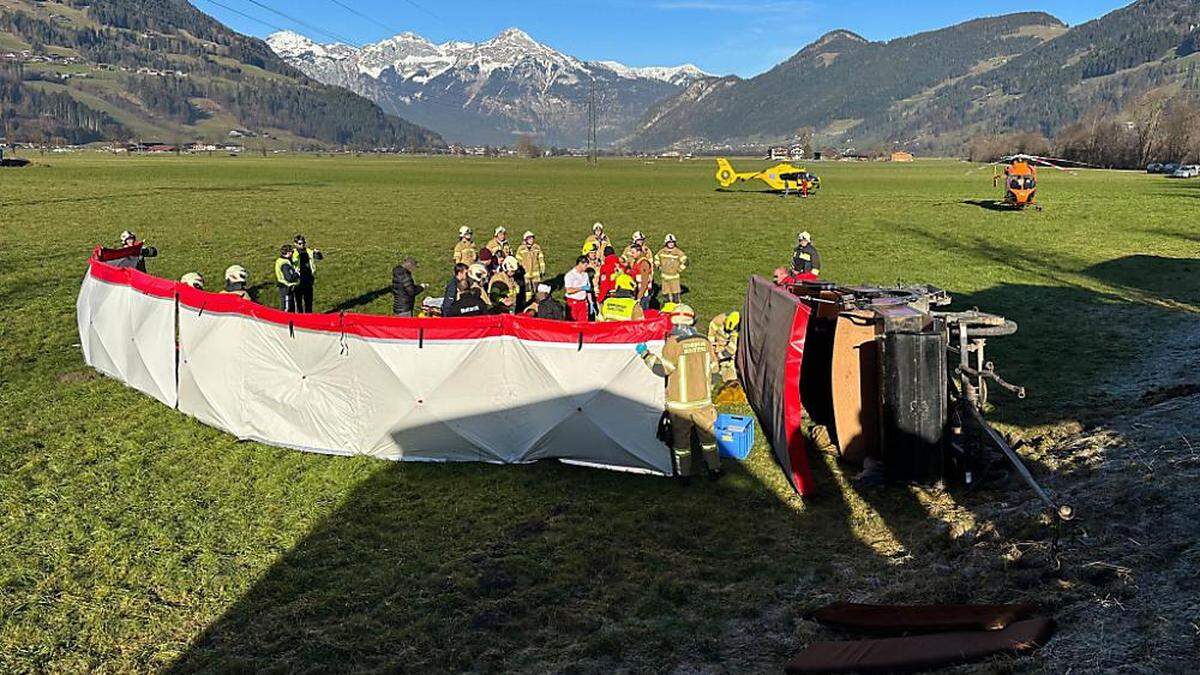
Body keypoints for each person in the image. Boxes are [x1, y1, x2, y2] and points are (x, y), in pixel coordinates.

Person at [636, 304, 721, 483]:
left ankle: (684, 476)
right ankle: (714, 469)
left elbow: (661, 369)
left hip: (680, 405)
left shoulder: (673, 344)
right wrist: (707, 390)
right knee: (708, 438)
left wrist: (645, 355)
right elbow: (715, 371)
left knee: (682, 443)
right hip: (704, 402)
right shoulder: (705, 341)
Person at [290, 234, 323, 313]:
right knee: (298, 303)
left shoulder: (308, 251)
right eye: (300, 243)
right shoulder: (292, 253)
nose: (302, 245)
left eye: (303, 243)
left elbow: (319, 258)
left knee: (308, 302)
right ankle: (300, 319)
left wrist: (317, 253)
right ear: (295, 244)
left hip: (308, 280)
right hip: (298, 281)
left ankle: (309, 318)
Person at [707, 311, 741, 386]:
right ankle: (710, 383)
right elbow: (711, 337)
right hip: (718, 347)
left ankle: (730, 381)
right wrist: (713, 350)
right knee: (712, 367)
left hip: (730, 352)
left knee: (730, 377)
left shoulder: (741, 329)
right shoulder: (716, 321)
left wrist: (723, 350)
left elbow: (733, 349)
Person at [655, 233, 688, 304]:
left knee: (675, 293)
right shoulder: (662, 251)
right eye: (669, 242)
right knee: (665, 293)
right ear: (666, 243)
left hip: (674, 277)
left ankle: (676, 306)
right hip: (664, 276)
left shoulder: (678, 252)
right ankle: (666, 307)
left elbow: (685, 262)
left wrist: (679, 269)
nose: (671, 244)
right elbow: (656, 259)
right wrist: (659, 267)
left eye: (672, 242)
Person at [516, 230, 545, 304]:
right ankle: (528, 302)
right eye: (529, 238)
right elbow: (518, 261)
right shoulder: (521, 249)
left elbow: (541, 259)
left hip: (536, 273)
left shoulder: (537, 247)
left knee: (537, 289)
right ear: (525, 240)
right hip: (525, 274)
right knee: (527, 290)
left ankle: (538, 302)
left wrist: (542, 269)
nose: (531, 240)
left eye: (532, 238)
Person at [563, 255, 592, 322]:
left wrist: (590, 302)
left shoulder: (585, 275)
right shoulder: (570, 275)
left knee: (583, 323)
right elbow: (568, 290)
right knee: (572, 323)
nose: (587, 267)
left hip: (583, 303)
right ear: (580, 264)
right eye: (585, 265)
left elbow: (588, 289)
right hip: (573, 302)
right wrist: (581, 288)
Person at [274, 244, 301, 312]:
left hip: (285, 287)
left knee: (290, 307)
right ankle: (283, 321)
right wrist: (297, 274)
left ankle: (291, 320)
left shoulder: (280, 260)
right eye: (292, 252)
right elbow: (289, 278)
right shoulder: (285, 264)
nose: (293, 254)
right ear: (288, 253)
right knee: (287, 308)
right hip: (286, 288)